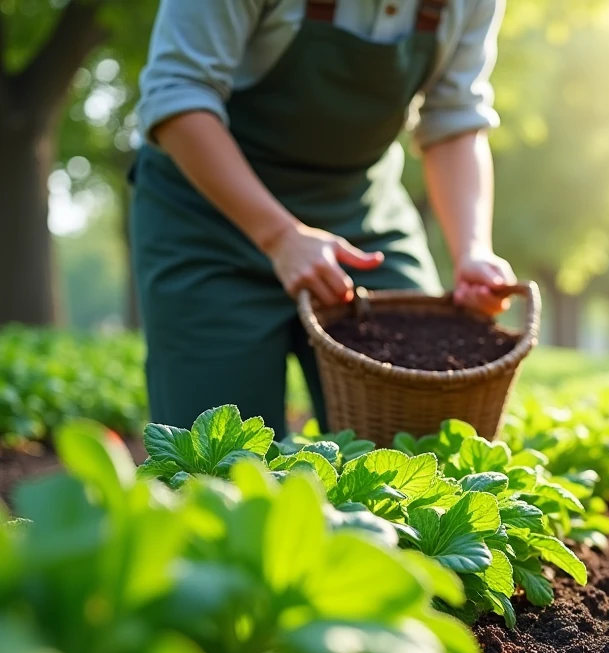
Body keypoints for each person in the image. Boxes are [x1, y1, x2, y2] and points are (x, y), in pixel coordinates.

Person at [130, 0, 516, 437]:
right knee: (215, 458)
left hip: (361, 220)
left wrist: (471, 250)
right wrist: (279, 236)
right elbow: (178, 94)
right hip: (208, 220)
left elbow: (455, 119)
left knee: (416, 440)